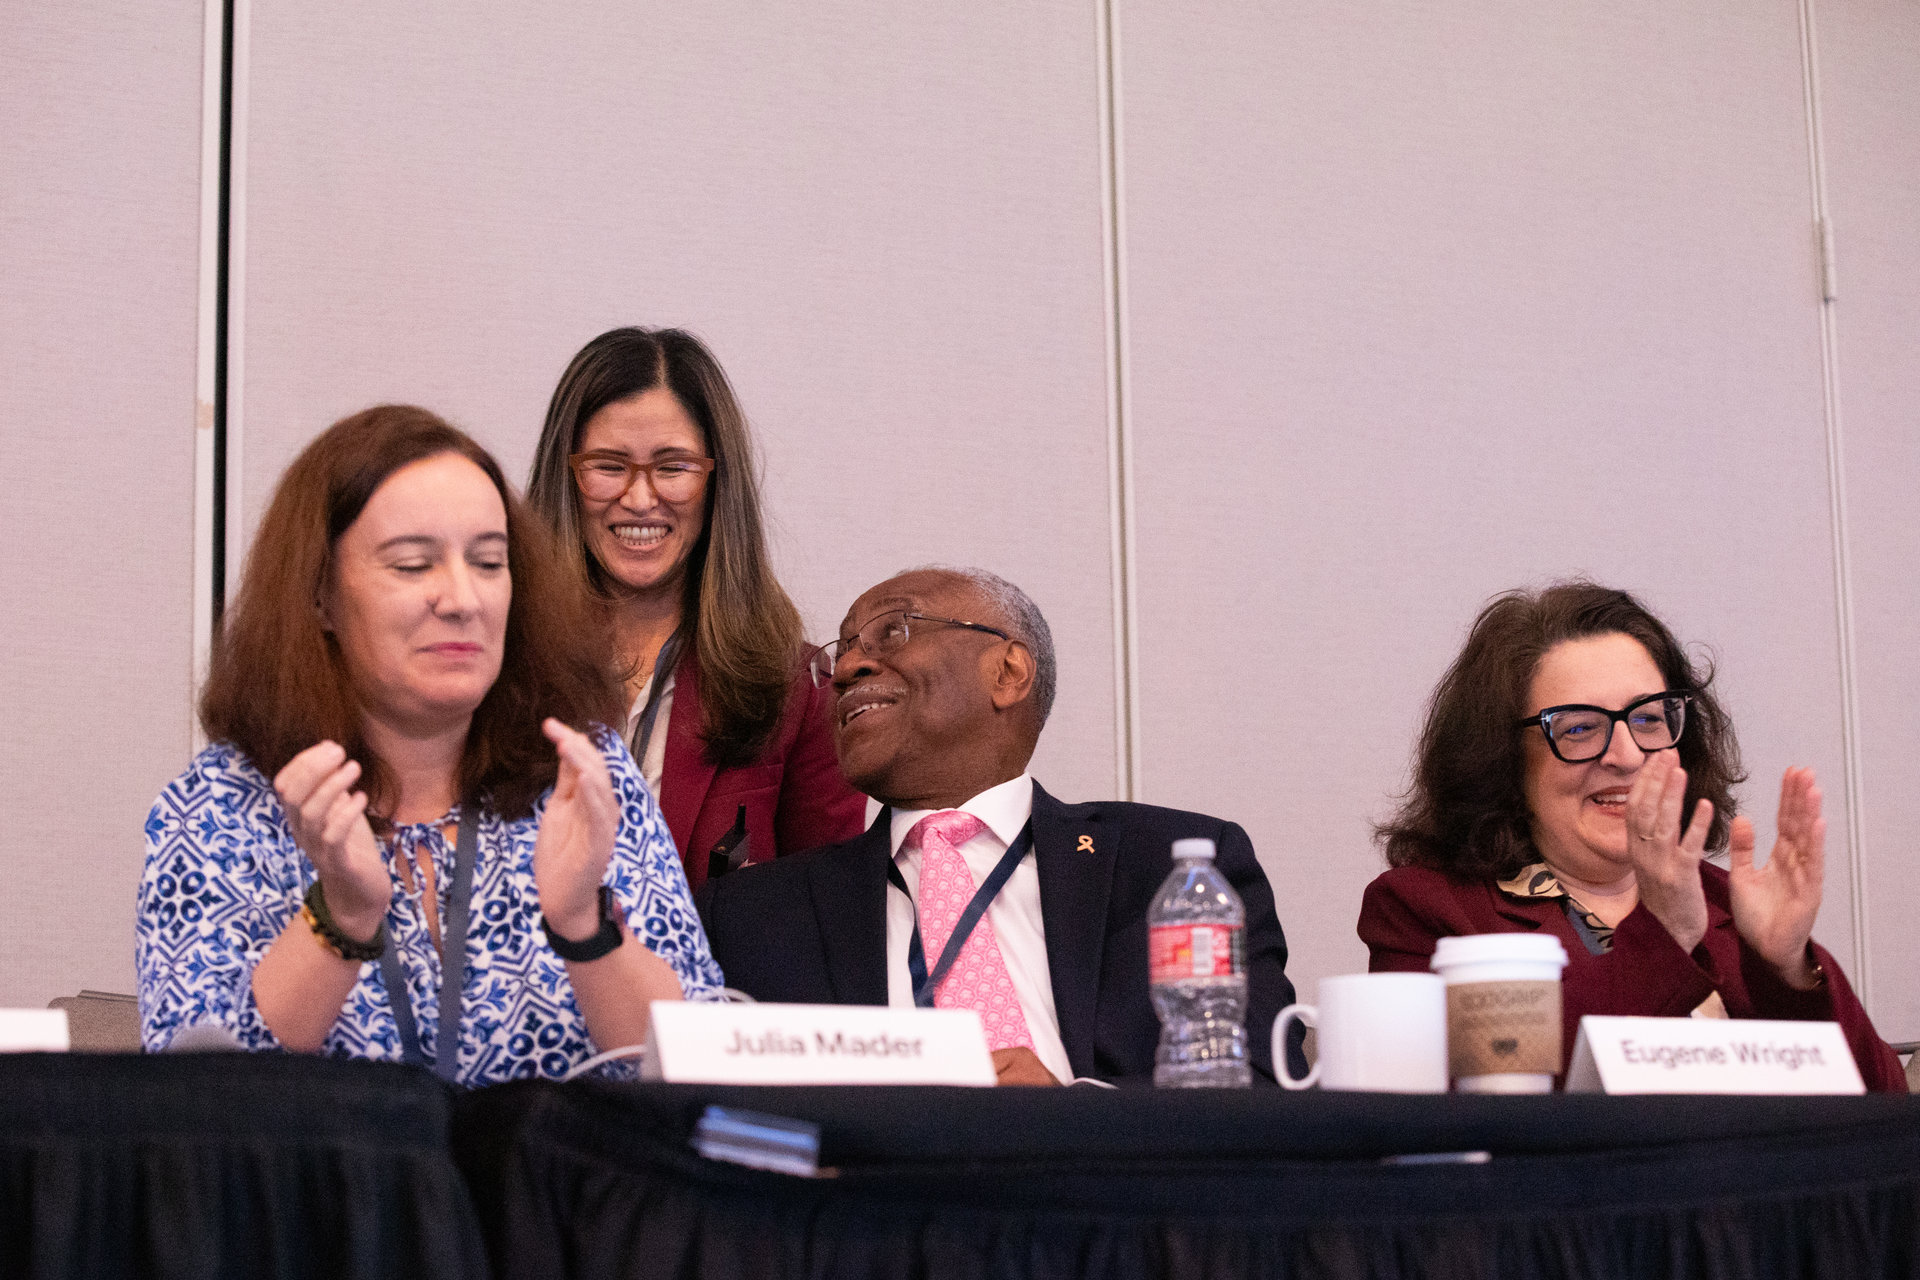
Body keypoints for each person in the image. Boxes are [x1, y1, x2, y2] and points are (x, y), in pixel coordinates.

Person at [137, 406, 723, 1084]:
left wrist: (583, 924)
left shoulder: (578, 774)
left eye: (489, 562)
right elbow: (200, 1099)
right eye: (414, 565)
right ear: (320, 596)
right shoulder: (220, 806)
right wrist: (341, 917)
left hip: (553, 1158)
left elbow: (703, 1069)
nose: (462, 598)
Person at [696, 566, 1306, 1086]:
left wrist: (1074, 1115)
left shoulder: (1170, 868)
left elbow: (1253, 1085)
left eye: (892, 631)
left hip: (1107, 1186)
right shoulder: (752, 914)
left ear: (1009, 671)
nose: (848, 667)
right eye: (843, 650)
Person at [1360, 581, 1904, 1091]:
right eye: (1579, 727)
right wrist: (1663, 933)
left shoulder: (1729, 903)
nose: (1626, 755)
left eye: (1648, 720)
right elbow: (1491, 1106)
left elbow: (1886, 1114)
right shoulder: (1428, 911)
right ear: (1502, 759)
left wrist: (1786, 968)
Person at [525, 328, 864, 890]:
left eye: (672, 467)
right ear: (567, 476)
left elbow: (824, 914)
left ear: (716, 481)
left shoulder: (801, 691)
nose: (639, 499)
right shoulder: (498, 666)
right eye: (608, 465)